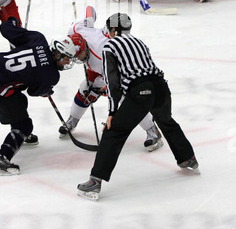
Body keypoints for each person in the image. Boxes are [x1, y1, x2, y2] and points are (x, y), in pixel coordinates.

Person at [77, 13, 199, 200]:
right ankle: (188, 158)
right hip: (161, 87)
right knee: (166, 121)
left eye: (109, 30)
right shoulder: (140, 42)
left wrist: (112, 112)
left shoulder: (110, 45)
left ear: (113, 30)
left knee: (113, 131)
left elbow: (112, 82)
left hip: (141, 91)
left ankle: (94, 182)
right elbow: (140, 69)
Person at [0, 17, 77, 175]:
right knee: (24, 124)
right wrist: (46, 90)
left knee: (20, 100)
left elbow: (6, 28)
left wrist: (13, 21)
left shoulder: (38, 39)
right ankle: (1, 159)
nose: (67, 63)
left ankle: (20, 137)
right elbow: (34, 91)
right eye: (66, 59)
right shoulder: (51, 75)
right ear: (57, 54)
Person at [60, 5, 163, 152]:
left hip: (119, 71)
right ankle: (72, 120)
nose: (77, 59)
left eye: (79, 55)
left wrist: (105, 89)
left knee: (127, 100)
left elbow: (116, 82)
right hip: (97, 67)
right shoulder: (78, 31)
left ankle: (153, 130)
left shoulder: (107, 52)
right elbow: (89, 10)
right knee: (85, 89)